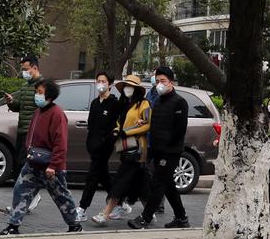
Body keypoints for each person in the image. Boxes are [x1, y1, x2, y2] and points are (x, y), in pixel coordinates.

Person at [0, 80, 82, 235]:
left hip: (50, 166)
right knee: (20, 191)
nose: (37, 95)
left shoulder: (57, 114)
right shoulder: (38, 112)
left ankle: (74, 225)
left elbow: (60, 143)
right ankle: (13, 226)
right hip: (33, 162)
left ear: (49, 95)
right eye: (36, 92)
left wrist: (53, 165)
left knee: (61, 196)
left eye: (40, 92)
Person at [128, 66, 190, 229]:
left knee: (158, 183)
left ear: (171, 82)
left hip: (170, 152)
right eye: (157, 81)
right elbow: (154, 123)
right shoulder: (158, 101)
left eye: (163, 81)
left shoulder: (180, 102)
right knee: (168, 185)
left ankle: (145, 218)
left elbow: (179, 130)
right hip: (156, 150)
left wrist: (167, 147)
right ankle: (181, 218)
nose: (159, 84)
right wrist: (144, 122)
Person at [90, 74, 150, 226]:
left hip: (137, 150)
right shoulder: (125, 104)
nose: (127, 89)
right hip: (125, 148)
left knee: (120, 181)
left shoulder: (143, 104)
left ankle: (105, 214)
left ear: (136, 89)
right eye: (126, 86)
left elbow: (147, 124)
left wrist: (127, 132)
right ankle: (149, 212)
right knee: (140, 184)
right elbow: (119, 122)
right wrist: (117, 131)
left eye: (131, 87)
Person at [76, 72, 119, 220]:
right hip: (93, 146)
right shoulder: (95, 103)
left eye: (103, 81)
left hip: (105, 147)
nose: (100, 84)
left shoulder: (114, 103)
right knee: (103, 176)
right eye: (98, 81)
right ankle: (120, 202)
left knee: (92, 176)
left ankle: (82, 208)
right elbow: (91, 125)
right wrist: (90, 143)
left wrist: (107, 141)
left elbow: (115, 127)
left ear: (110, 84)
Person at [4, 55, 44, 213]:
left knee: (25, 165)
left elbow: (44, 107)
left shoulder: (42, 86)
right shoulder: (25, 85)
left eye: (26, 69)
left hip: (33, 132)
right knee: (19, 165)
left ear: (35, 68)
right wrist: (11, 102)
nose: (24, 73)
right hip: (22, 130)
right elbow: (20, 106)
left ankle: (27, 199)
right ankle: (25, 199)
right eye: (23, 70)